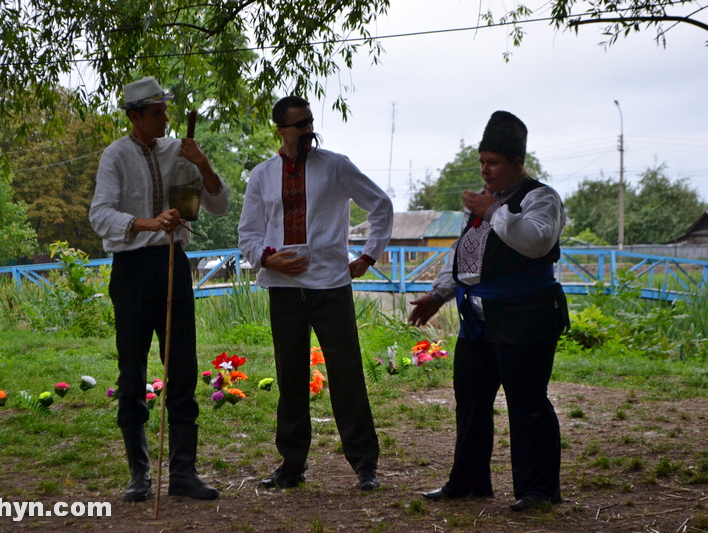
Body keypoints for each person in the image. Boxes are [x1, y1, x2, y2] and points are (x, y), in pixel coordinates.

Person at [409, 111, 569, 512]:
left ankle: (539, 489)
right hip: (478, 320)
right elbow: (465, 256)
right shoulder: (482, 204)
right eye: (482, 162)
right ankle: (468, 482)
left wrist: (495, 211)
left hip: (527, 316)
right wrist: (438, 295)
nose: (486, 170)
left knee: (527, 402)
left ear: (516, 162)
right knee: (472, 399)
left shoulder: (540, 197)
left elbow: (535, 241)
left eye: (493, 162)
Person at [238, 96, 394, 491]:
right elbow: (248, 233)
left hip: (330, 285)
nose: (308, 129)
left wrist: (368, 256)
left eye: (310, 121)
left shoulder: (335, 166)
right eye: (299, 124)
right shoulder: (261, 175)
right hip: (284, 291)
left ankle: (364, 465)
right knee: (290, 378)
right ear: (281, 130)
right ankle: (291, 467)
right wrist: (268, 260)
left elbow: (381, 204)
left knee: (346, 375)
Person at [89, 76, 229, 502]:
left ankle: (184, 474)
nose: (165, 118)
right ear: (134, 117)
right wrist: (148, 223)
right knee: (132, 372)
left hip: (172, 264)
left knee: (182, 366)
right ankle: (139, 475)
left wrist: (202, 162)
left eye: (166, 110)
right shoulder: (115, 155)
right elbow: (100, 214)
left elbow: (218, 205)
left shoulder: (179, 151)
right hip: (131, 270)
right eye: (156, 112)